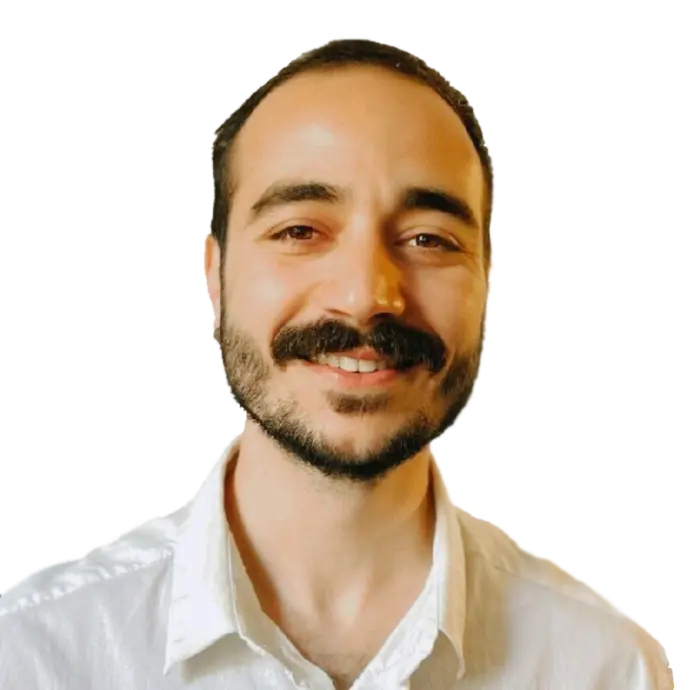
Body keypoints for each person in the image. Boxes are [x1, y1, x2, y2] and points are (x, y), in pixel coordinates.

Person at [0, 37, 672, 690]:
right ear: (213, 274)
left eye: (428, 239)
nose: (365, 295)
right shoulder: (30, 656)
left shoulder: (610, 671)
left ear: (487, 282)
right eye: (300, 230)